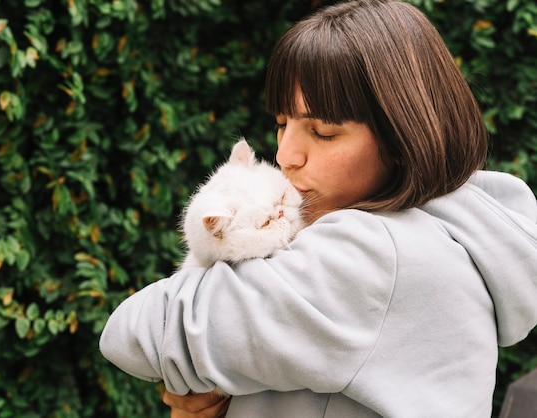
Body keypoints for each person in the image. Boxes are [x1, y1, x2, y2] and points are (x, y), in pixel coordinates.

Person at [99, 0, 537, 416]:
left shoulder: (376, 255)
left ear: (404, 137)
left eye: (323, 131)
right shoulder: (448, 234)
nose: (287, 154)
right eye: (282, 124)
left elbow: (132, 332)